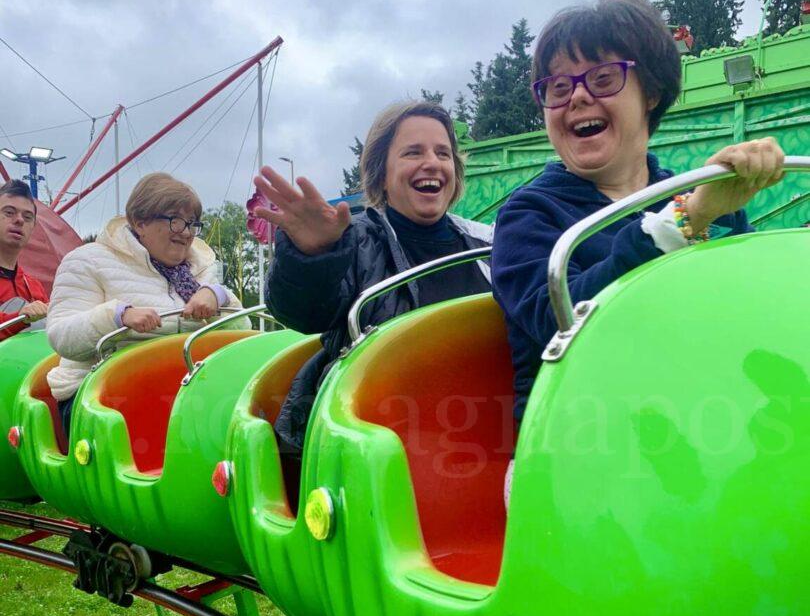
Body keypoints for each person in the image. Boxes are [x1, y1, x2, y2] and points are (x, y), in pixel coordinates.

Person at [492, 0, 785, 493]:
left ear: (649, 91)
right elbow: (559, 322)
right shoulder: (528, 215)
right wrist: (687, 217)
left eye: (602, 78)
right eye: (558, 88)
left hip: (708, 428)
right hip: (579, 447)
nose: (577, 98)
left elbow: (752, 318)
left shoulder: (706, 191)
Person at [253, 99, 493, 455]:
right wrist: (314, 256)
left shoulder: (490, 242)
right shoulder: (354, 240)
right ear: (381, 172)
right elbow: (303, 313)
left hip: (486, 428)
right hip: (382, 439)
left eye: (443, 153)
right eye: (413, 152)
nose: (432, 163)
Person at [46, 172, 244, 436]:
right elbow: (62, 337)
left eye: (192, 223)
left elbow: (243, 333)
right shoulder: (86, 261)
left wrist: (218, 297)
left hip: (187, 390)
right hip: (102, 394)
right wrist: (117, 316)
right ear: (140, 222)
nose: (186, 233)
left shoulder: (201, 268)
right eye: (175, 221)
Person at [0, 179, 49, 342]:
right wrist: (19, 318)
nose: (19, 220)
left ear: (33, 227)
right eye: (9, 212)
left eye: (28, 217)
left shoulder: (34, 287)